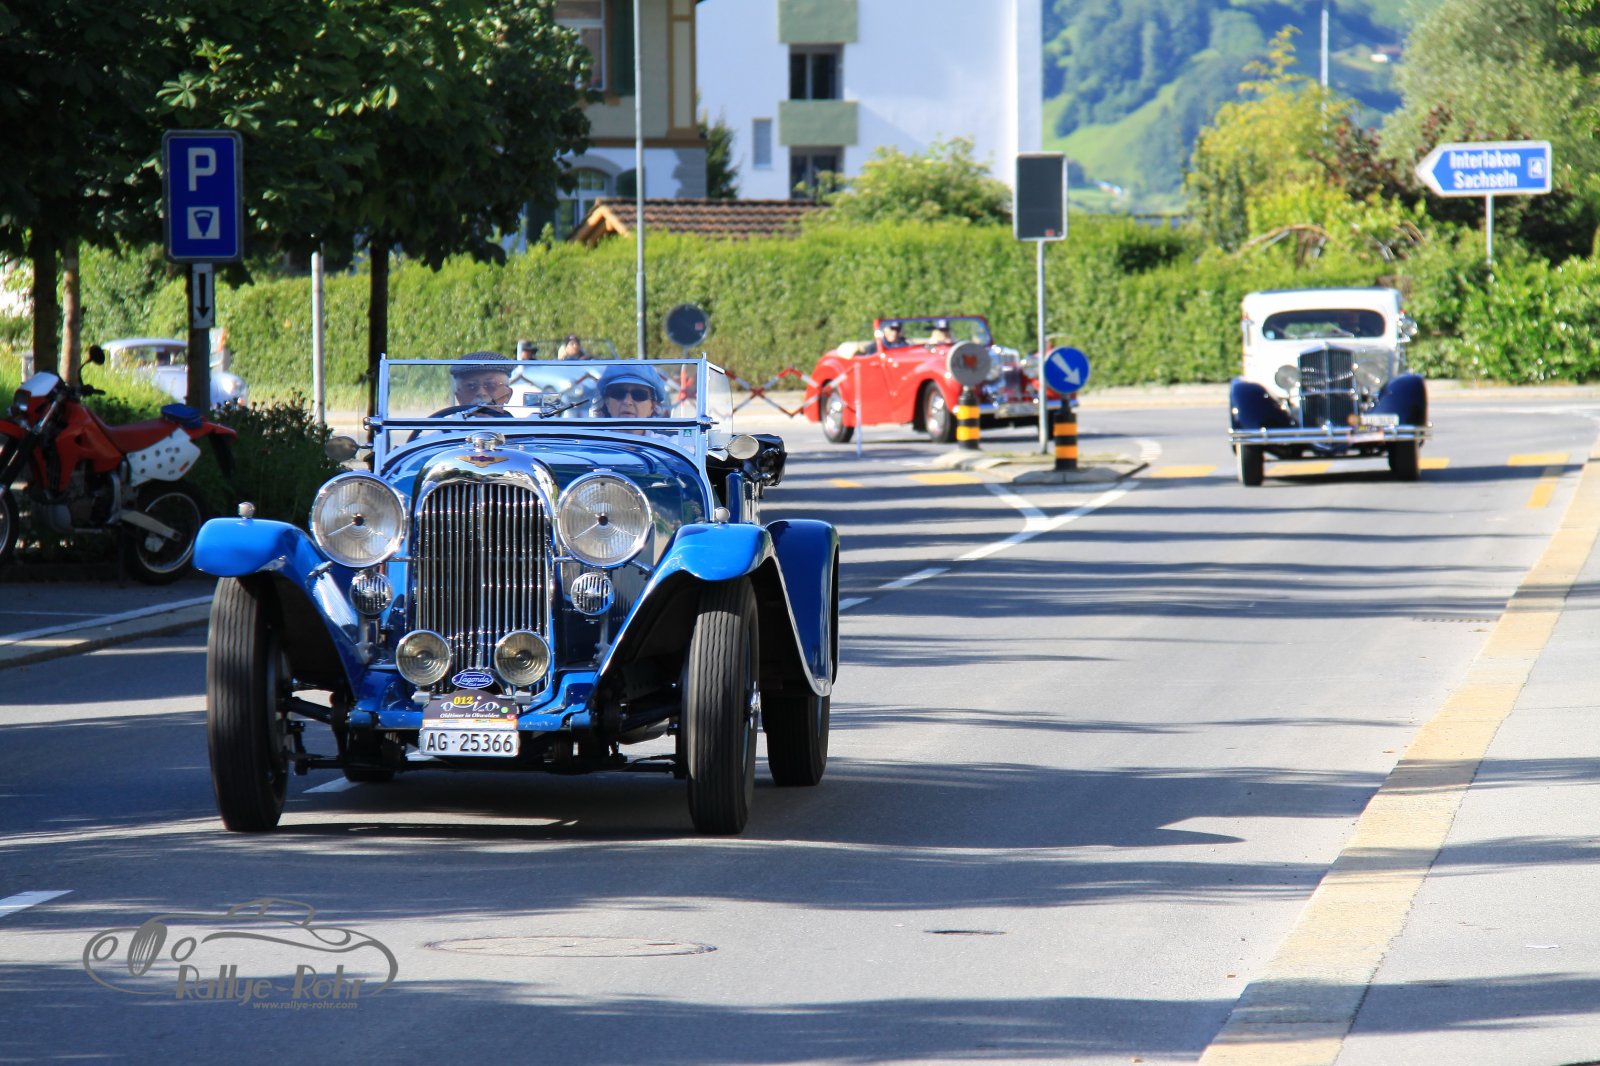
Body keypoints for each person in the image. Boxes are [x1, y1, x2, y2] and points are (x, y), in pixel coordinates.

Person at [591, 363, 667, 420]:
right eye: (618, 393)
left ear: (652, 406)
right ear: (607, 402)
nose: (627, 401)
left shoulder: (669, 438)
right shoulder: (589, 437)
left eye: (639, 394)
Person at [448, 352, 514, 411]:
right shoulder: (446, 421)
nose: (481, 393)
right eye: (471, 387)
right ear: (459, 397)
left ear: (508, 395)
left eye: (491, 385)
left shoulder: (518, 421)